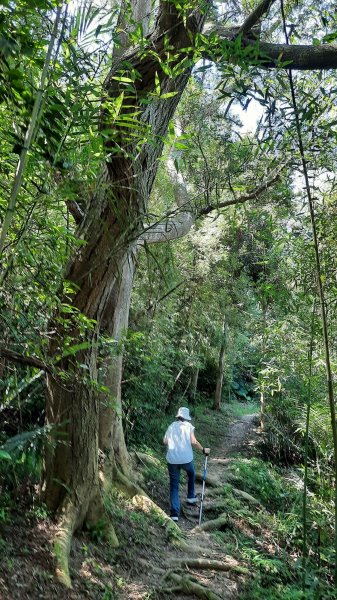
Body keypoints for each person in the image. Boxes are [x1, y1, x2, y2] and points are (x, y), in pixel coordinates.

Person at [163, 406, 210, 521]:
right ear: (187, 417)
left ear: (178, 416)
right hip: (186, 459)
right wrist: (203, 449)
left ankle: (174, 513)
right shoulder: (189, 426)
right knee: (191, 473)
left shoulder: (171, 426)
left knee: (174, 486)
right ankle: (190, 497)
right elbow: (193, 441)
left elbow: (164, 441)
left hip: (172, 459)